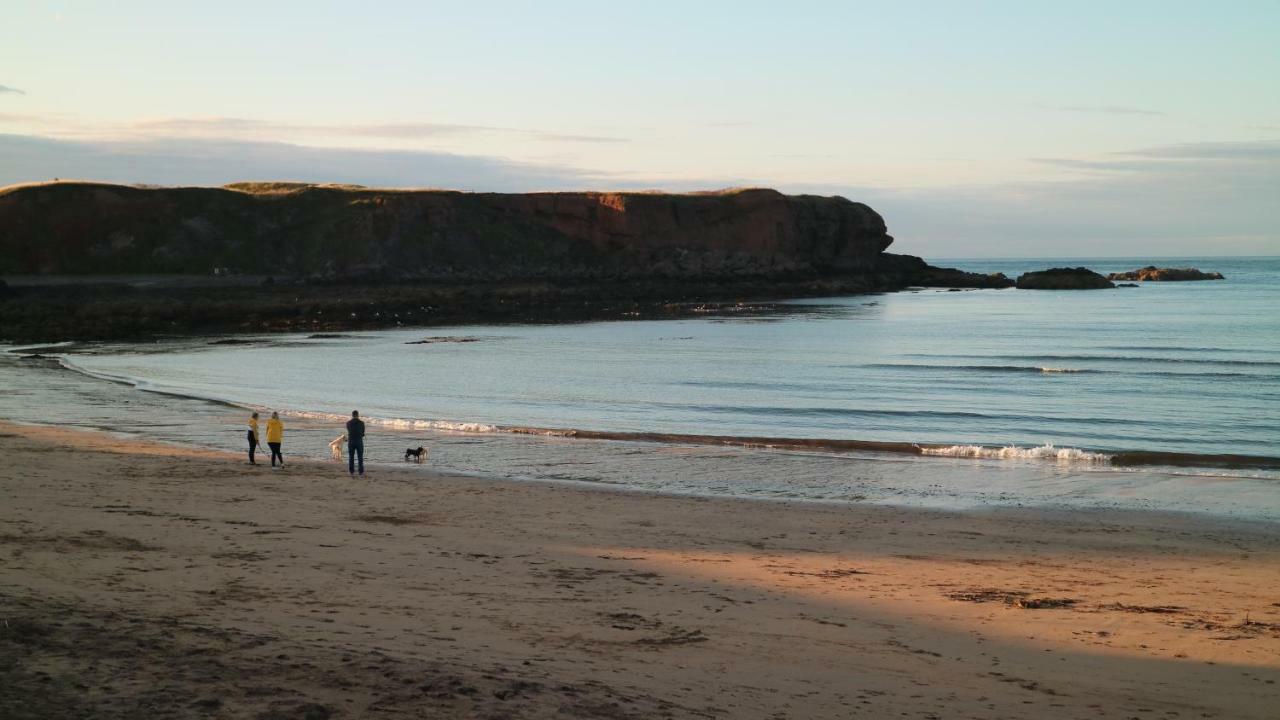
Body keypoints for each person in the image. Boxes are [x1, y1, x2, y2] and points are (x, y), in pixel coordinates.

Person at [346, 410, 366, 476]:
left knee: (351, 457)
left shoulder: (348, 423)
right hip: (359, 441)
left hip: (351, 441)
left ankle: (351, 472)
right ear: (358, 415)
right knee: (360, 457)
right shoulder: (362, 423)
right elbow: (363, 433)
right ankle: (361, 472)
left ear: (352, 415)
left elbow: (349, 431)